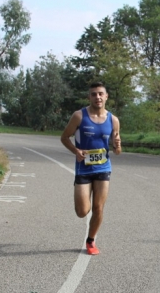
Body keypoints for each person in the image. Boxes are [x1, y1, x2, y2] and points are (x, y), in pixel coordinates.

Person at [61, 82, 122, 255]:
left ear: (106, 96)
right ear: (89, 97)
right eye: (94, 94)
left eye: (101, 94)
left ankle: (91, 240)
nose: (98, 97)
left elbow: (117, 151)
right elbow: (64, 137)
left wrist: (117, 146)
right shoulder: (79, 116)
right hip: (83, 168)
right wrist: (76, 150)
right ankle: (88, 230)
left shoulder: (113, 120)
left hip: (103, 167)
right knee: (82, 211)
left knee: (99, 207)